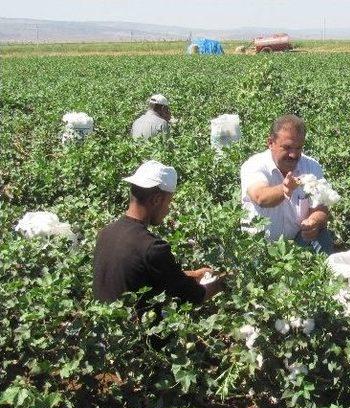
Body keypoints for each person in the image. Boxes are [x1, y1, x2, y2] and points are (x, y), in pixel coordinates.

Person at [93, 160, 224, 311]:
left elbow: (143, 275)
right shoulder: (152, 248)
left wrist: (194, 274)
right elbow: (195, 296)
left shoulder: (106, 232)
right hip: (140, 332)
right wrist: (221, 283)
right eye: (168, 203)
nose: (168, 210)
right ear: (156, 200)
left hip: (107, 328)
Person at [240, 115, 334, 254]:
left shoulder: (311, 166)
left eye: (298, 148)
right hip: (260, 246)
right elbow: (260, 197)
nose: (293, 154)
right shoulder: (254, 165)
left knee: (322, 235)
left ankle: (324, 274)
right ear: (271, 143)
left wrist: (315, 221)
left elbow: (321, 206)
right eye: (287, 147)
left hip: (297, 242)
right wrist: (285, 189)